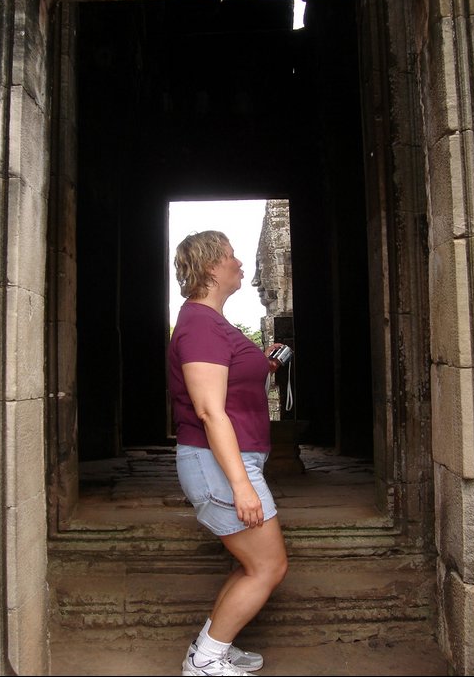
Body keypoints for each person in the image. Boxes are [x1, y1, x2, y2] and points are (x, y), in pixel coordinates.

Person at [169, 230, 289, 677]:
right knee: (268, 566)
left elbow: (229, 377)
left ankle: (211, 647)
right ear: (212, 265)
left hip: (230, 460)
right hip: (217, 464)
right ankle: (205, 661)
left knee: (252, 563)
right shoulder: (200, 324)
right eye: (232, 255)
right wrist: (242, 486)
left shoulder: (212, 324)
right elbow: (208, 410)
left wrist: (266, 362)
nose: (240, 263)